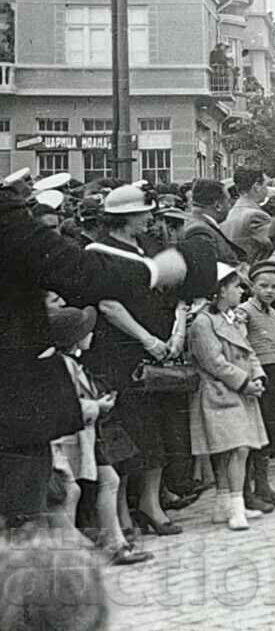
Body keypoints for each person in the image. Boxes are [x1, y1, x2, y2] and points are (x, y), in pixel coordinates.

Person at [1, 167, 203, 533]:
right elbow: (80, 274)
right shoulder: (7, 217)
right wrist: (155, 273)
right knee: (25, 513)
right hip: (18, 394)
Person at [82, 185, 188, 538]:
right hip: (121, 352)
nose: (150, 218)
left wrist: (174, 335)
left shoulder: (149, 248)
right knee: (128, 431)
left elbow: (172, 295)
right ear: (124, 216)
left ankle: (150, 503)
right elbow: (109, 305)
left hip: (159, 350)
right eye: (144, 213)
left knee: (157, 429)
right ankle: (125, 514)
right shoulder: (99, 253)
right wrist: (148, 340)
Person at [47, 306, 153, 565]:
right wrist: (98, 406)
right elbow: (65, 406)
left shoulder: (71, 363)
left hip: (85, 437)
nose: (91, 334)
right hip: (69, 440)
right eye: (86, 330)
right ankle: (70, 556)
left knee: (108, 481)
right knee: (69, 492)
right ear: (74, 337)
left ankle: (113, 544)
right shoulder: (63, 366)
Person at [188, 263, 270, 530]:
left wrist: (257, 376)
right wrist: (245, 382)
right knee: (237, 448)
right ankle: (235, 507)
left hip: (239, 391)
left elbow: (248, 351)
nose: (241, 292)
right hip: (220, 392)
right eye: (236, 287)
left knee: (233, 449)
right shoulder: (203, 322)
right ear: (221, 290)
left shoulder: (230, 318)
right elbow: (214, 362)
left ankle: (224, 504)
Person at [237, 260, 275, 510]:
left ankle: (263, 486)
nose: (269, 291)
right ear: (252, 286)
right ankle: (245, 491)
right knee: (254, 432)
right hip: (258, 374)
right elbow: (241, 342)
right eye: (263, 286)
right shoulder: (244, 311)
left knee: (273, 428)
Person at [182, 178, 245, 266]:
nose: (230, 206)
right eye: (227, 201)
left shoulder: (199, 224)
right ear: (218, 206)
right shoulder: (199, 231)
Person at [222, 166, 274, 265]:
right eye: (265, 185)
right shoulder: (256, 216)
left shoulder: (230, 213)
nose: (267, 190)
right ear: (257, 186)